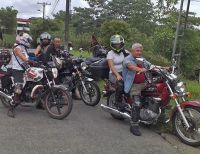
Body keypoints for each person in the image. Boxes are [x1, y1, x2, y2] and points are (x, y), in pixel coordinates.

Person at [9, 33, 33, 116]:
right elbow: (23, 58)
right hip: (17, 70)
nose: (29, 42)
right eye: (28, 40)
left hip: (23, 69)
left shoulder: (23, 47)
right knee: (18, 87)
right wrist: (30, 61)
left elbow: (28, 57)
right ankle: (11, 108)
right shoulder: (17, 48)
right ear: (23, 40)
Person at [106, 35, 129, 110]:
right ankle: (117, 102)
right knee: (121, 84)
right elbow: (112, 67)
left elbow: (133, 57)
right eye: (115, 44)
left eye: (119, 44)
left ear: (121, 44)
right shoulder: (110, 53)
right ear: (112, 45)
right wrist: (117, 75)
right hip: (113, 74)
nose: (117, 46)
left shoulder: (124, 52)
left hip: (123, 72)